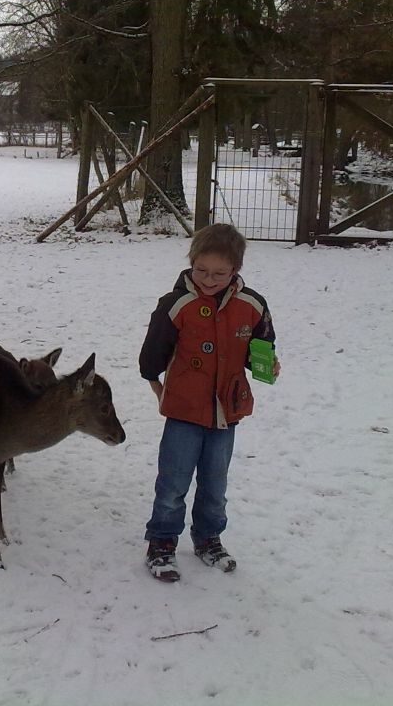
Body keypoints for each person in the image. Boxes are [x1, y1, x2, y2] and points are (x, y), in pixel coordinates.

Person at [138, 224, 280, 582]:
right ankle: (162, 543)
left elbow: (259, 347)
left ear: (235, 270)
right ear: (191, 262)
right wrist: (156, 385)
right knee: (173, 481)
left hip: (227, 411)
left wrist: (267, 363)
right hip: (184, 410)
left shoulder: (252, 305)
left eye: (219, 273)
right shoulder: (176, 305)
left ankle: (208, 539)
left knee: (215, 483)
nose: (209, 279)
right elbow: (152, 353)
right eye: (201, 270)